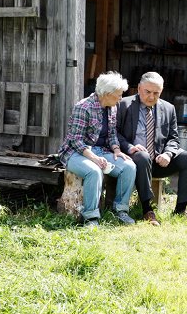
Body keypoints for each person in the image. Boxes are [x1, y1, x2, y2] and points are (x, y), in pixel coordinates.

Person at [117, 71, 187, 226]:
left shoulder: (169, 108)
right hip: (134, 161)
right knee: (142, 156)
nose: (151, 97)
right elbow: (114, 134)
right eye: (148, 92)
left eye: (156, 93)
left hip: (159, 160)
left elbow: (173, 138)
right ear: (139, 88)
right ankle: (147, 210)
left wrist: (168, 154)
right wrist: (130, 147)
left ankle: (181, 209)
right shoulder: (124, 105)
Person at [58, 71, 137, 227]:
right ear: (107, 94)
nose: (121, 98)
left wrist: (116, 150)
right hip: (75, 152)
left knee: (129, 167)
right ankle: (91, 217)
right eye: (119, 95)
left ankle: (120, 210)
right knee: (94, 171)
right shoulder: (83, 107)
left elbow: (112, 133)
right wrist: (93, 158)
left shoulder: (112, 107)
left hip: (101, 151)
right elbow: (75, 140)